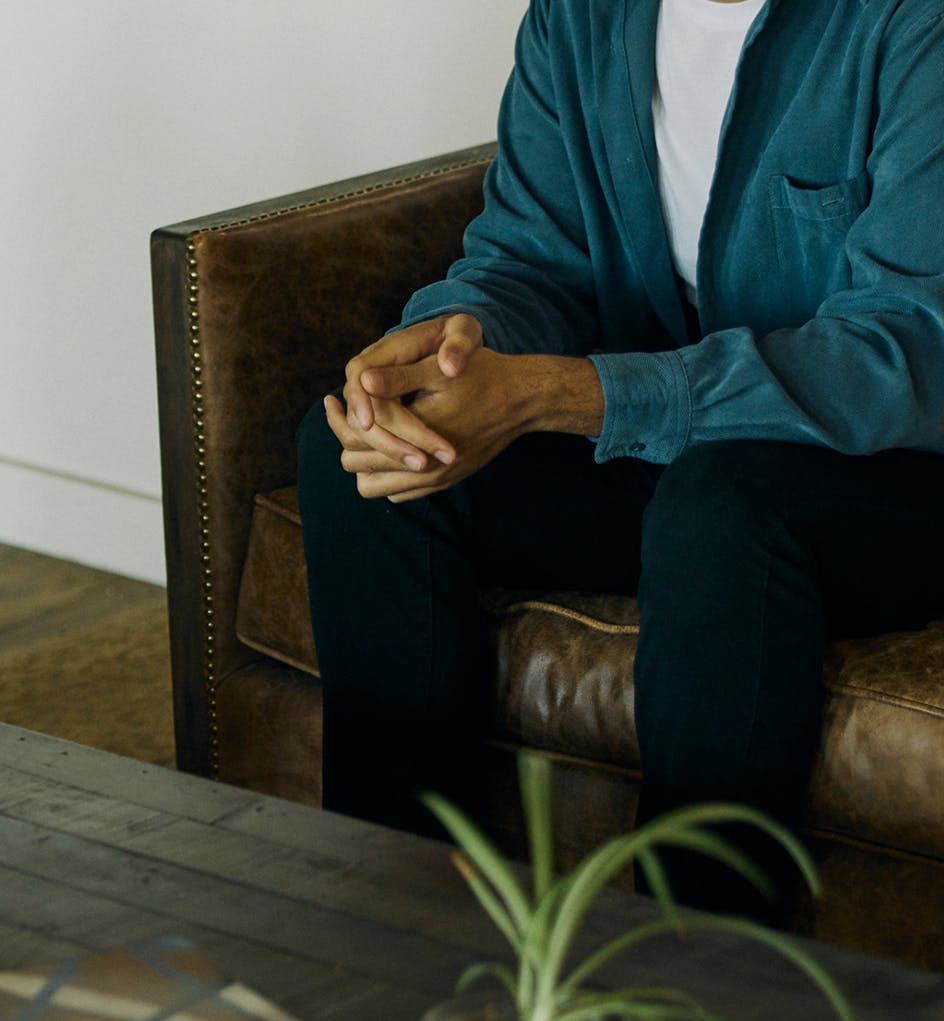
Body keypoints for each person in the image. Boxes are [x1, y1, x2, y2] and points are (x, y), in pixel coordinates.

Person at [296, 0, 944, 920]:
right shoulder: (580, 15)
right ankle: (399, 937)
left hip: (897, 460)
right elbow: (530, 260)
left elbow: (908, 352)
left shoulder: (911, 23)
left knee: (722, 510)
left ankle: (707, 1000)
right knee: (368, 462)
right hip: (682, 443)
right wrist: (448, 353)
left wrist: (564, 394)